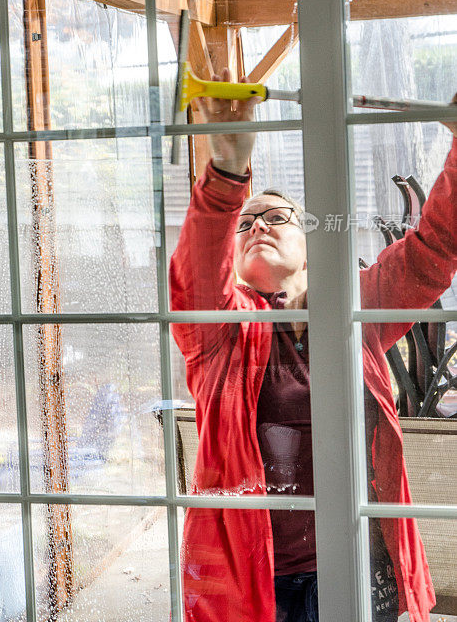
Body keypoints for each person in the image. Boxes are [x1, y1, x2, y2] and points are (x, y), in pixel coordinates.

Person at [169, 72, 457, 622]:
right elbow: (195, 277)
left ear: (309, 245)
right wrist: (227, 173)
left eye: (276, 218)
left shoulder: (358, 306)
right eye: (245, 223)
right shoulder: (220, 331)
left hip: (357, 560)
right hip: (253, 578)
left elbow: (435, 248)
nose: (257, 227)